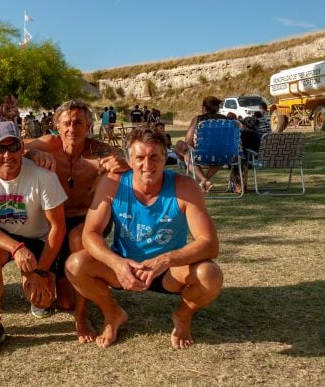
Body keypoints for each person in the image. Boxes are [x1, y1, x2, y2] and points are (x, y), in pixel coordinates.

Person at [67, 126, 223, 349]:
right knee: (75, 264)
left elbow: (209, 244)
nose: (147, 165)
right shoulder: (113, 183)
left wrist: (164, 261)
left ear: (165, 157)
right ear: (129, 160)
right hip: (124, 265)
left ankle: (183, 315)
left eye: (154, 157)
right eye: (139, 157)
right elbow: (90, 233)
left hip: (169, 271)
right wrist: (117, 263)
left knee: (210, 274)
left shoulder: (185, 187)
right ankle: (113, 315)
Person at [23, 99, 127, 341]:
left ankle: (82, 316)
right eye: (66, 123)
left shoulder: (98, 152)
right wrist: (33, 152)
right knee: (64, 301)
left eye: (79, 122)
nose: (72, 129)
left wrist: (120, 161)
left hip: (87, 221)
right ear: (56, 126)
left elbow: (123, 159)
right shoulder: (49, 144)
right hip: (54, 221)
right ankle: (67, 286)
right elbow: (15, 148)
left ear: (89, 125)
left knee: (77, 236)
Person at [0, 121, 67, 355]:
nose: (7, 154)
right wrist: (16, 248)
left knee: (42, 302)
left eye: (13, 147)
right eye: (0, 149)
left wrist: (40, 272)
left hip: (39, 238)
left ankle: (34, 277)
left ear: (23, 147)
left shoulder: (44, 176)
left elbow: (58, 228)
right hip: (5, 237)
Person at [173, 96, 228, 192]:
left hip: (200, 155)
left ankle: (204, 180)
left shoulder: (198, 119)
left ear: (204, 108)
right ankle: (205, 180)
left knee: (182, 148)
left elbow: (188, 141)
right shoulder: (225, 120)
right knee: (220, 151)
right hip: (221, 155)